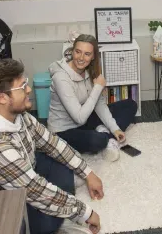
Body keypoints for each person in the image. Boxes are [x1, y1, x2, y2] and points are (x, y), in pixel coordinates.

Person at [0, 58, 102, 234]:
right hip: (9, 201)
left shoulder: (21, 117)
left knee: (57, 158)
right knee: (42, 222)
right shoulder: (0, 146)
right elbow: (33, 189)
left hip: (28, 173)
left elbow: (52, 143)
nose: (28, 89)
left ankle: (58, 206)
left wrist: (88, 173)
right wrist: (85, 213)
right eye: (22, 87)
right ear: (2, 98)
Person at [48, 34, 137, 162]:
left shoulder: (89, 70)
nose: (81, 58)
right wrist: (97, 87)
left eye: (87, 54)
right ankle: (105, 137)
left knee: (130, 105)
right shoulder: (61, 78)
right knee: (97, 140)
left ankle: (108, 135)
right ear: (72, 51)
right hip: (64, 130)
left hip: (85, 118)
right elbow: (79, 118)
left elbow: (98, 103)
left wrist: (115, 128)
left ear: (93, 56)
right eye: (78, 52)